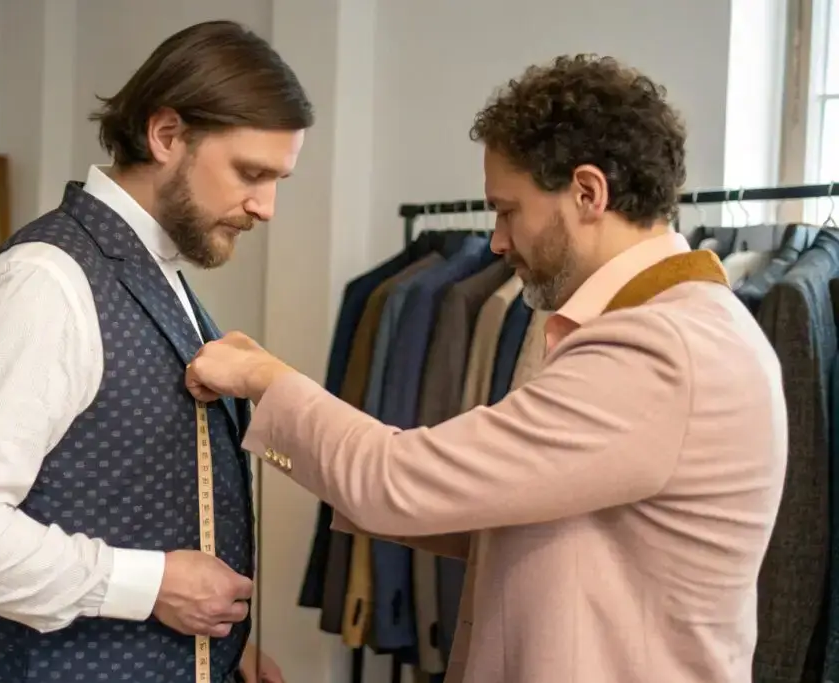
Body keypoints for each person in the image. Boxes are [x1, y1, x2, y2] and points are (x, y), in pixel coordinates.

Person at [184, 55, 787, 683]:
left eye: (508, 210)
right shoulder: (674, 327)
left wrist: (264, 378)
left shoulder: (660, 349)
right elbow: (500, 514)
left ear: (588, 192)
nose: (497, 242)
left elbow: (401, 479)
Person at [0, 20, 311, 683]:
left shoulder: (162, 278)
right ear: (166, 135)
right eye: (251, 173)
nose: (267, 207)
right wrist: (152, 583)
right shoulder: (42, 285)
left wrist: (218, 655)